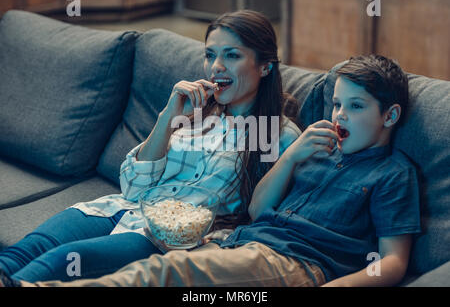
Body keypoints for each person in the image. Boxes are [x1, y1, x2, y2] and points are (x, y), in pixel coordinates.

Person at [5, 54, 421, 288]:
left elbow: (392, 263)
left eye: (355, 106)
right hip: (237, 243)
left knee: (166, 272)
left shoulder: (391, 174)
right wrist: (293, 157)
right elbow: (260, 211)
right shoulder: (313, 149)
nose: (338, 114)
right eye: (336, 103)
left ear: (391, 115)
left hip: (292, 263)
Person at [0, 10, 301, 284]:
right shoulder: (193, 111)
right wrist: (167, 117)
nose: (216, 67)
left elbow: (267, 213)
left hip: (167, 238)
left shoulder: (278, 134)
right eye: (210, 55)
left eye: (232, 55)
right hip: (119, 208)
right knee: (22, 252)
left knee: (57, 262)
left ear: (265, 67)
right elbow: (132, 187)